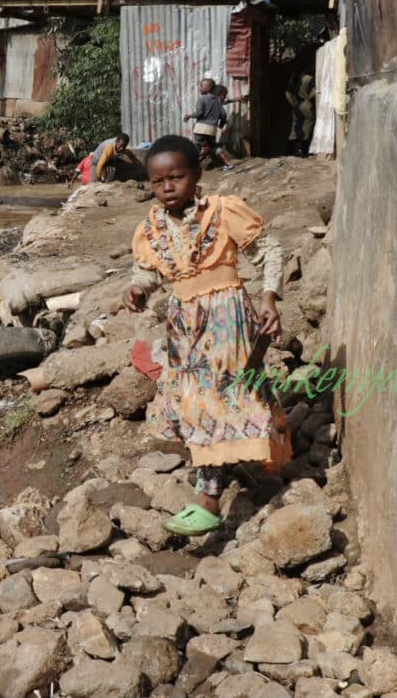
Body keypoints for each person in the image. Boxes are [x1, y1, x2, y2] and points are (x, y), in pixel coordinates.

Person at [123, 134, 290, 536]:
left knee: (211, 399)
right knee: (207, 398)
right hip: (184, 324)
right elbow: (147, 271)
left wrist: (268, 299)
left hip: (227, 317)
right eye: (158, 181)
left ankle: (210, 498)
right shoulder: (150, 228)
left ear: (197, 175)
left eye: (176, 178)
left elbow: (270, 250)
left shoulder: (223, 210)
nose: (167, 187)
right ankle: (271, 449)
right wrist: (137, 289)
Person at [73, 133, 141, 185]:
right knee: (94, 183)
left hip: (109, 159)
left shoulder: (121, 146)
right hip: (97, 160)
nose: (121, 148)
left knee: (118, 167)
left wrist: (135, 161)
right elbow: (100, 164)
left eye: (124, 146)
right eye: (120, 146)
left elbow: (127, 152)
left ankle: (107, 182)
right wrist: (98, 177)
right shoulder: (109, 148)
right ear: (116, 142)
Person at [184, 78, 222, 165]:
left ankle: (191, 163)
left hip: (201, 128)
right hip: (212, 128)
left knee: (198, 146)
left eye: (202, 86)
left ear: (209, 87)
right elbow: (221, 114)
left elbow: (199, 113)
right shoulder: (218, 100)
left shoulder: (202, 99)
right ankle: (220, 162)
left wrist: (189, 116)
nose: (200, 88)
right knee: (212, 146)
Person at [286, 73, 316, 157]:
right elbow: (314, 92)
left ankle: (290, 150)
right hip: (307, 105)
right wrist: (309, 100)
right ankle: (303, 151)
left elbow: (287, 94)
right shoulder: (308, 78)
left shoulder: (293, 79)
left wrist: (293, 103)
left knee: (295, 126)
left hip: (297, 106)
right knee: (307, 126)